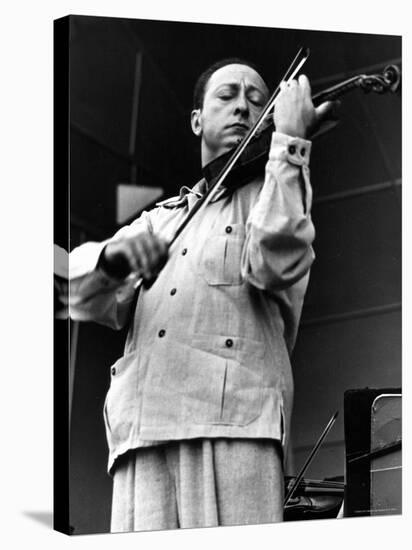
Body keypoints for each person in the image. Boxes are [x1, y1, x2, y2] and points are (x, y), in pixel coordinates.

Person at [68, 57, 334, 532]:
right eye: (227, 96)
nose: (243, 108)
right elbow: (83, 296)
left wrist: (290, 145)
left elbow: (274, 263)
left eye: (258, 101)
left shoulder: (275, 192)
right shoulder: (160, 219)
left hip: (235, 425)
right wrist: (111, 262)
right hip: (143, 431)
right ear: (197, 121)